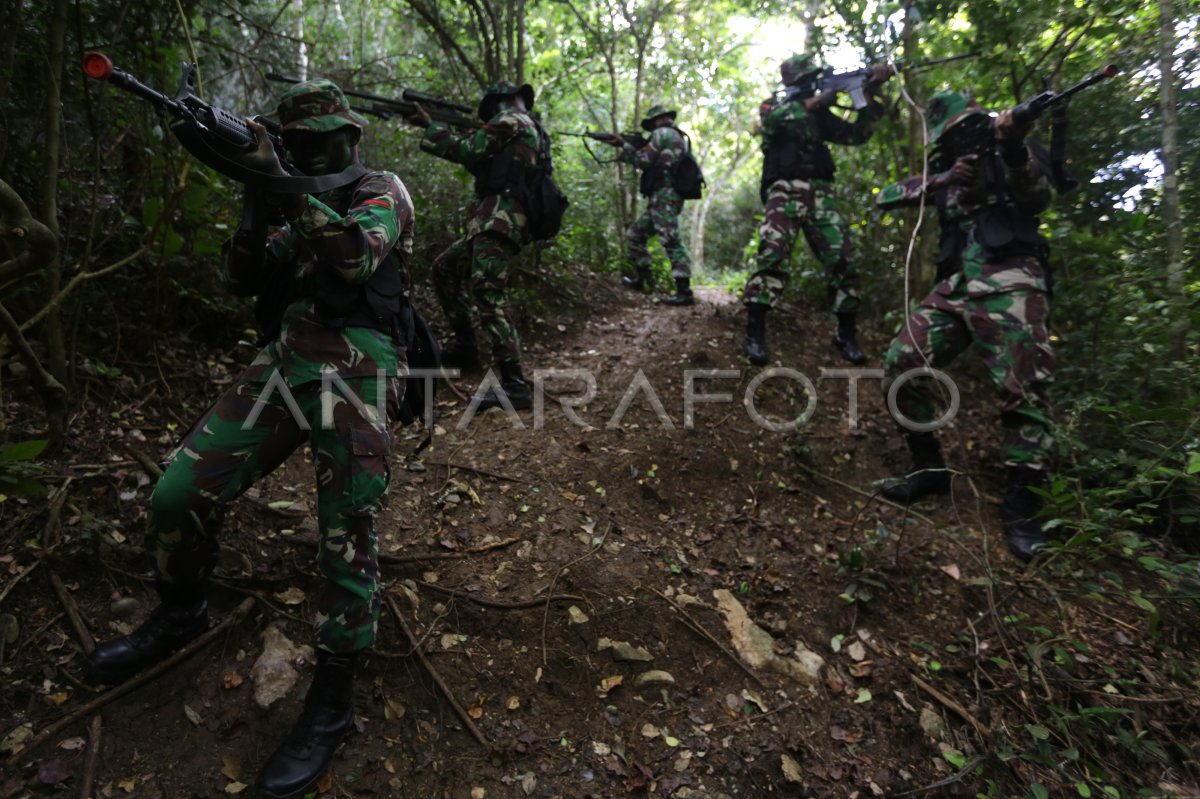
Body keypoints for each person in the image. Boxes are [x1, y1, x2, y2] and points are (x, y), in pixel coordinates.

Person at [84, 79, 415, 798]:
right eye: (304, 141)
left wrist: (280, 181)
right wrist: (251, 191)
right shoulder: (278, 187)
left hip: (357, 358)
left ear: (349, 139)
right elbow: (241, 275)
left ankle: (332, 700)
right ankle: (180, 609)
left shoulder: (381, 188)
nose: (322, 148)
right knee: (179, 492)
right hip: (282, 359)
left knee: (344, 530)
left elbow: (356, 257)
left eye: (329, 139)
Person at [876, 90, 1056, 562]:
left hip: (1013, 277)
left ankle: (1024, 507)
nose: (964, 139)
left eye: (969, 129)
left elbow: (1039, 196)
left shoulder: (1014, 151)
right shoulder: (951, 173)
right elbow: (888, 196)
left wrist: (1013, 149)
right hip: (958, 286)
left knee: (1024, 393)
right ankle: (929, 468)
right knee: (901, 362)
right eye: (954, 135)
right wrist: (943, 178)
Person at [742, 53, 892, 366]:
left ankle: (846, 334)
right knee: (772, 255)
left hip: (821, 192)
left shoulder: (821, 112)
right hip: (784, 190)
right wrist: (821, 99)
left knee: (844, 260)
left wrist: (869, 93)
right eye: (806, 79)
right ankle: (755, 331)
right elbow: (771, 123)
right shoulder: (776, 104)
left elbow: (857, 135)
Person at [410, 82, 545, 411]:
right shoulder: (517, 130)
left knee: (488, 292)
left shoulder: (514, 120)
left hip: (502, 219)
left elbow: (467, 150)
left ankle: (514, 385)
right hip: (491, 220)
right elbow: (480, 162)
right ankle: (466, 347)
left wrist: (431, 125)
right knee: (444, 268)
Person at [618, 104, 696, 306]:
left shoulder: (663, 133)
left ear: (658, 120)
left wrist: (624, 147)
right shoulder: (677, 136)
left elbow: (644, 160)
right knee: (635, 235)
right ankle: (643, 281)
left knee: (670, 238)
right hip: (662, 197)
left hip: (665, 194)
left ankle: (684, 290)